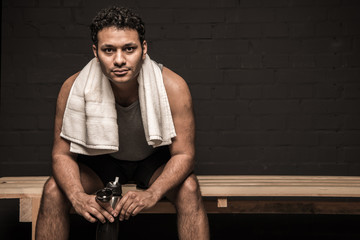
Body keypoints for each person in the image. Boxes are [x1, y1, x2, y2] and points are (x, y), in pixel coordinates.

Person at [35, 6, 210, 240]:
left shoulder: (173, 87)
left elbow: (184, 155)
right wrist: (77, 196)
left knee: (189, 189)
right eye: (109, 50)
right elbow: (62, 155)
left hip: (151, 161)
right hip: (102, 160)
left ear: (144, 49)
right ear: (96, 52)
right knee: (53, 190)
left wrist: (153, 193)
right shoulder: (73, 88)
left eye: (129, 49)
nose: (119, 60)